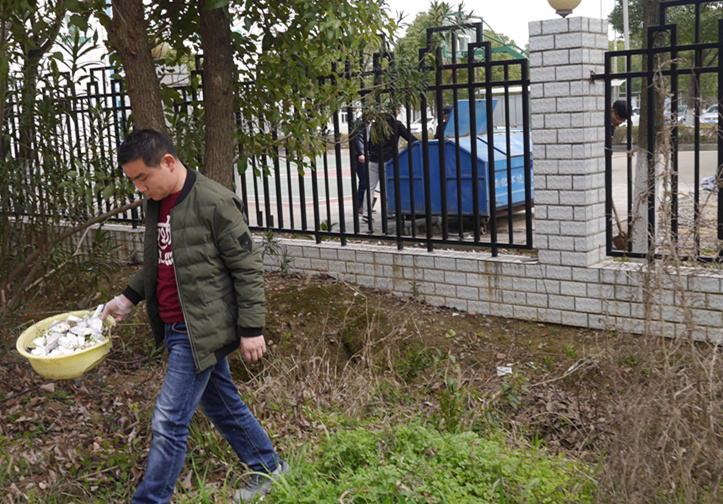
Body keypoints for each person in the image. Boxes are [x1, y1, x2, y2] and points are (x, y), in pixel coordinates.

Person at [101, 129, 288, 504]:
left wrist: (252, 328)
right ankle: (270, 468)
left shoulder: (215, 202)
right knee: (220, 402)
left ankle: (149, 500)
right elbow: (159, 262)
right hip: (175, 323)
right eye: (134, 180)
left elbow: (247, 269)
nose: (140, 188)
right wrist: (126, 299)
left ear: (168, 162)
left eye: (143, 178)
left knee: (168, 419)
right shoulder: (158, 203)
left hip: (199, 327)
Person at [362, 104, 419, 222]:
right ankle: (388, 212)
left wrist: (372, 153)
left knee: (370, 187)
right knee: (388, 187)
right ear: (395, 111)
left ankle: (366, 213)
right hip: (388, 160)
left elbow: (369, 142)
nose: (399, 113)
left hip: (373, 159)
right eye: (399, 110)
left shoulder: (376, 124)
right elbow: (411, 138)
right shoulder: (396, 124)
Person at [350, 115, 368, 214]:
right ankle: (359, 205)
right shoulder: (360, 123)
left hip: (366, 154)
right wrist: (361, 153)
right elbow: (357, 139)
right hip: (361, 155)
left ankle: (364, 205)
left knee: (366, 181)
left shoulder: (367, 123)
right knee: (364, 181)